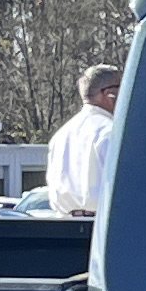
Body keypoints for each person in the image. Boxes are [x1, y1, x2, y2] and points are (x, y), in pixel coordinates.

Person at [45, 62, 120, 217]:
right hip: (101, 225)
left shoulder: (61, 135)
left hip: (65, 227)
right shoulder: (110, 132)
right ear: (109, 93)